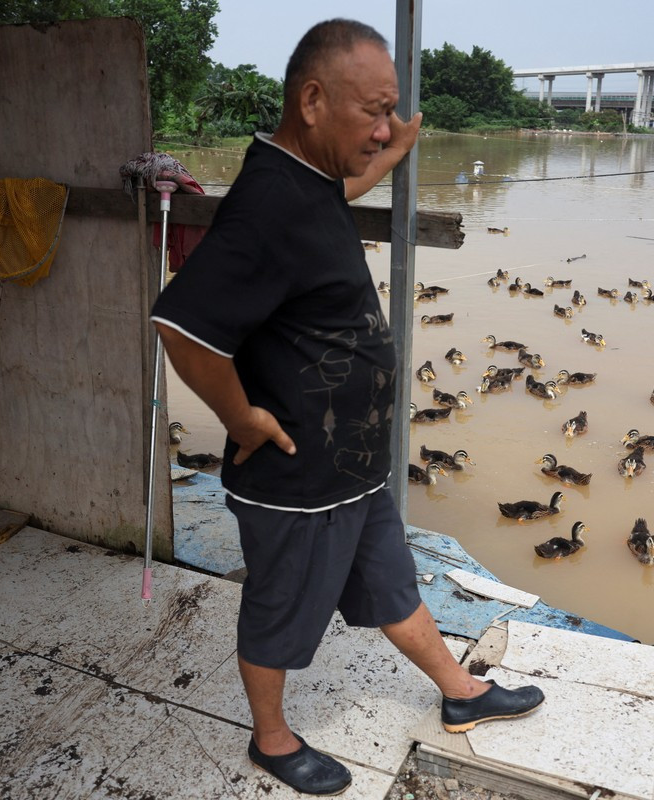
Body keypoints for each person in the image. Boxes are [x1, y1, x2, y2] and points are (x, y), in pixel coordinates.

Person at [151, 19, 544, 796]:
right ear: (311, 99)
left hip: (353, 469)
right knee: (279, 612)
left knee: (395, 584)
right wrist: (239, 418)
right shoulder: (267, 203)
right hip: (298, 479)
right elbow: (182, 323)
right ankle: (271, 739)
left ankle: (463, 697)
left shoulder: (308, 180)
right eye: (373, 111)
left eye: (391, 111)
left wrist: (387, 155)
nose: (385, 126)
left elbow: (338, 195)